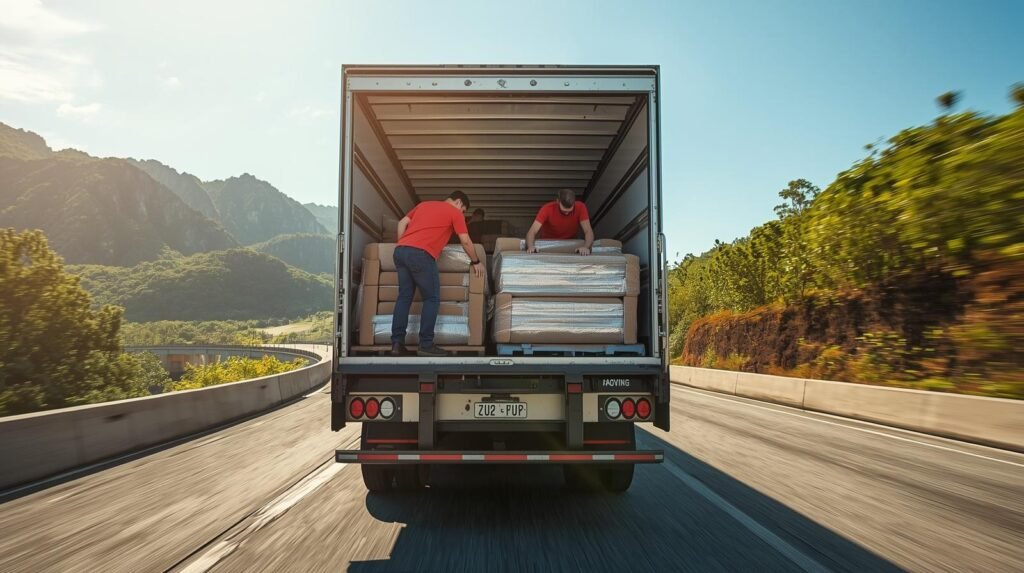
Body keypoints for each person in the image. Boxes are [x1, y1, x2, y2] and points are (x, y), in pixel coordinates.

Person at [391, 190, 484, 357]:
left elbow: (401, 222)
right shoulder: (454, 213)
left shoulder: (423, 205)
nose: (462, 213)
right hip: (421, 254)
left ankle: (397, 344)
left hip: (400, 251)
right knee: (431, 298)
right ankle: (425, 344)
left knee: (404, 297)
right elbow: (465, 240)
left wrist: (403, 243)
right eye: (463, 210)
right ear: (458, 203)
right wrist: (476, 261)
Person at [525, 188, 594, 255]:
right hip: (548, 245)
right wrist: (531, 246)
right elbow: (532, 231)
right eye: (564, 211)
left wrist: (586, 247)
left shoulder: (581, 207)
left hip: (570, 246)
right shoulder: (547, 209)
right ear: (558, 201)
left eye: (569, 211)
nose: (566, 213)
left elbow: (588, 230)